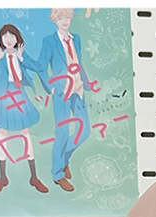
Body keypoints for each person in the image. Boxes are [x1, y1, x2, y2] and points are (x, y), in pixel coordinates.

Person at [0, 23, 49, 194]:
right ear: (1, 40)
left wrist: (22, 58)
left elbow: (39, 67)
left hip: (19, 93)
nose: (9, 40)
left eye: (12, 36)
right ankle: (3, 178)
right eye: (5, 37)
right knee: (3, 133)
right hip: (5, 95)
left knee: (25, 132)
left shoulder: (20, 54)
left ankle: (34, 177)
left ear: (17, 38)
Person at [38, 8, 92, 192]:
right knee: (62, 133)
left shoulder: (76, 39)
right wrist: (51, 87)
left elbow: (78, 62)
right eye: (61, 17)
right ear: (55, 19)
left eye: (67, 17)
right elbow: (41, 67)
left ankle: (63, 161)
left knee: (84, 131)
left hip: (78, 90)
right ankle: (57, 174)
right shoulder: (49, 41)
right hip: (62, 93)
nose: (65, 20)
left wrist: (86, 82)